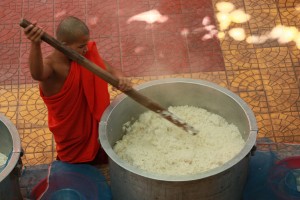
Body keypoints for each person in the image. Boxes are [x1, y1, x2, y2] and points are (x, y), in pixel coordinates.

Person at [23, 16, 132, 165]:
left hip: (95, 130)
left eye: (86, 44)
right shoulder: (52, 66)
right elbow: (37, 74)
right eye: (81, 46)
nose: (86, 49)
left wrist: (121, 78)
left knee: (102, 159)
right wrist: (35, 44)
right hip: (72, 135)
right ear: (64, 45)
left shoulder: (86, 56)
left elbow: (112, 71)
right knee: (75, 170)